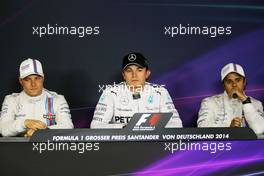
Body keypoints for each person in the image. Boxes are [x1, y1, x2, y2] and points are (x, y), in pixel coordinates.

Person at [90, 52, 183, 128]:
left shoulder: (160, 92)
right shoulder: (110, 93)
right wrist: (124, 128)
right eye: (129, 71)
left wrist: (151, 130)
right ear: (124, 75)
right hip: (121, 146)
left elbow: (176, 125)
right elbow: (96, 126)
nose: (134, 75)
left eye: (139, 70)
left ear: (147, 73)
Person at [0, 58, 74, 137]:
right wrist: (24, 123)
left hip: (47, 147)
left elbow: (68, 126)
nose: (33, 84)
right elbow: (3, 129)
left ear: (43, 78)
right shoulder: (11, 100)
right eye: (27, 80)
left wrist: (45, 131)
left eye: (37, 78)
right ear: (20, 81)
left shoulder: (57, 99)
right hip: (19, 148)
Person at [197, 63, 264, 134]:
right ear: (223, 85)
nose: (234, 85)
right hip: (222, 145)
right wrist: (228, 128)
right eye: (229, 81)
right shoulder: (209, 103)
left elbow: (260, 130)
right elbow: (202, 129)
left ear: (244, 82)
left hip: (248, 145)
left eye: (237, 80)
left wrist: (245, 101)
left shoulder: (256, 104)